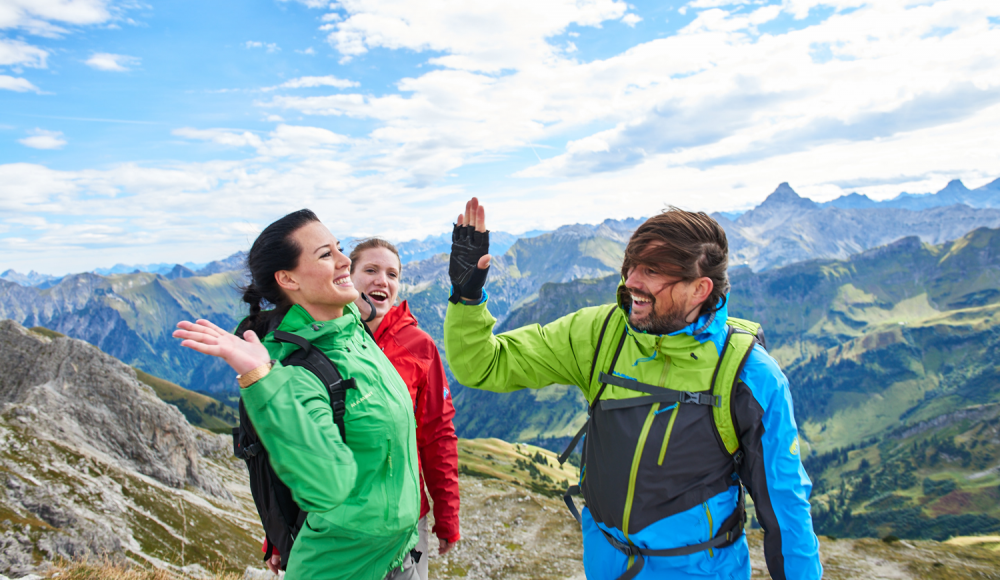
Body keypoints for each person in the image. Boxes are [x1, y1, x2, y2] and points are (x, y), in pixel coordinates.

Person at [441, 198, 822, 580]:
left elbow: (785, 507)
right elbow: (482, 366)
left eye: (652, 271)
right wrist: (467, 296)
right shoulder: (601, 333)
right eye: (631, 267)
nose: (631, 282)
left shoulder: (749, 375)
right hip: (606, 566)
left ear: (700, 288)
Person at [173, 209, 420, 580]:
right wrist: (263, 380)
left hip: (396, 555)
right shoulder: (296, 369)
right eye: (326, 255)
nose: (343, 261)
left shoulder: (349, 326)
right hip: (342, 568)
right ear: (288, 278)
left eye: (339, 248)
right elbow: (327, 482)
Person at [350, 238, 461, 580]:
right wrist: (277, 534)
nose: (382, 280)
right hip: (337, 518)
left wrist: (447, 517)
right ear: (348, 276)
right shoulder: (325, 339)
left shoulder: (420, 346)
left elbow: (437, 435)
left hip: (406, 517)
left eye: (392, 274)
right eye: (370, 270)